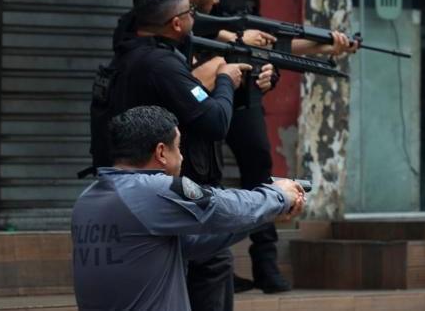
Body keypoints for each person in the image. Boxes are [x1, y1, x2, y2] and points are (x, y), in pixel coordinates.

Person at [148, 0, 357, 294]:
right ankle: (206, 264)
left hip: (238, 50)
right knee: (198, 165)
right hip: (196, 55)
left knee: (257, 159)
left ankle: (265, 263)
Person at [89, 0, 248, 311]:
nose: (195, 18)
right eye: (191, 12)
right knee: (212, 263)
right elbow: (216, 121)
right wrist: (225, 81)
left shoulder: (128, 55)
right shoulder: (160, 64)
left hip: (128, 192)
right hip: (163, 193)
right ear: (177, 23)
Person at [73, 105, 305, 311]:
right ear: (161, 152)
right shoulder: (153, 189)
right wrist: (278, 195)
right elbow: (221, 206)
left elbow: (190, 244)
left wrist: (266, 216)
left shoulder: (89, 198)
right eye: (179, 148)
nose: (183, 157)